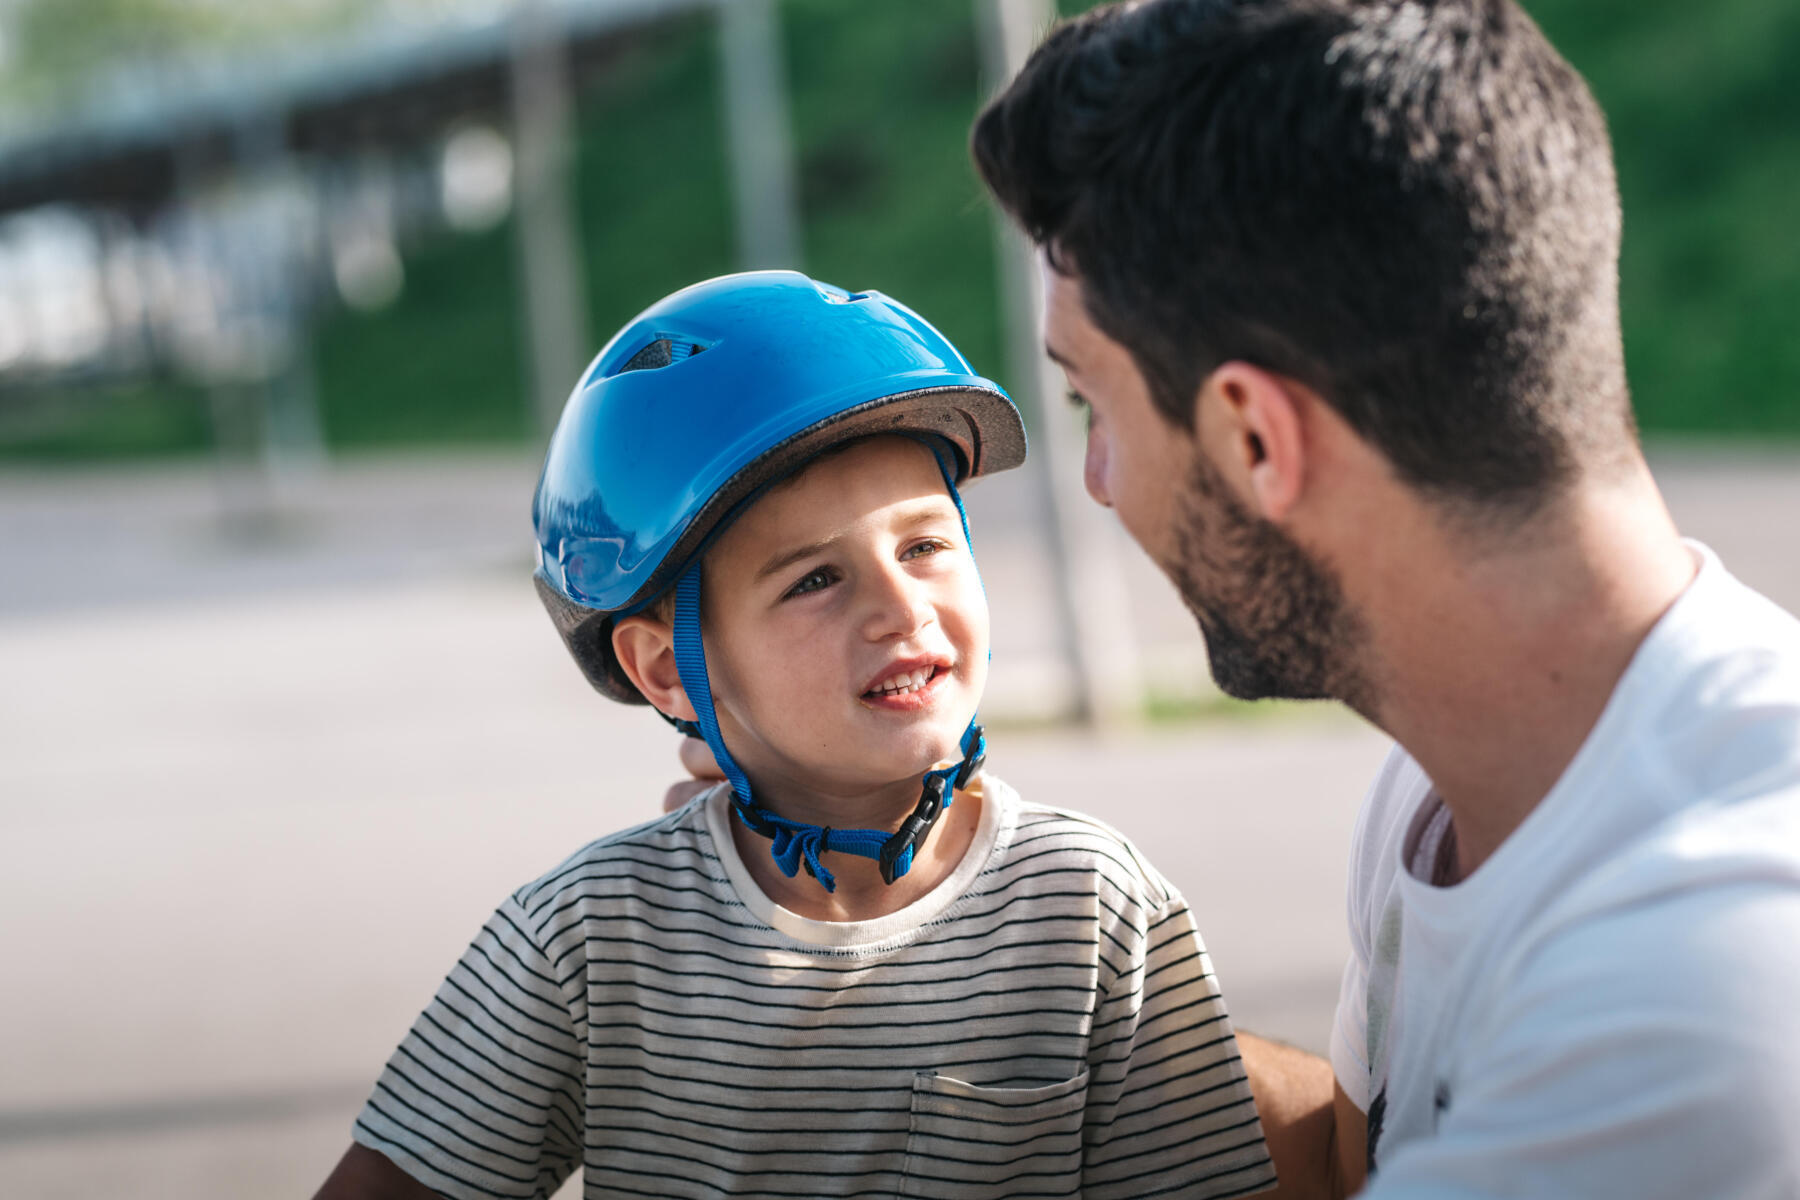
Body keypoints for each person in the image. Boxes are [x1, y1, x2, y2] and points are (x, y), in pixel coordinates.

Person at [958, 0, 1800, 1196]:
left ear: (1255, 435)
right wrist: (946, 962)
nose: (1098, 483)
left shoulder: (1693, 995)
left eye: (1095, 408)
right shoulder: (1450, 785)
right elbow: (1358, 1168)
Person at [314, 270, 1284, 1200]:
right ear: (668, 671)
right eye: (815, 579)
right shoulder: (590, 938)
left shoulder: (1091, 904)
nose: (901, 607)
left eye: (924, 546)